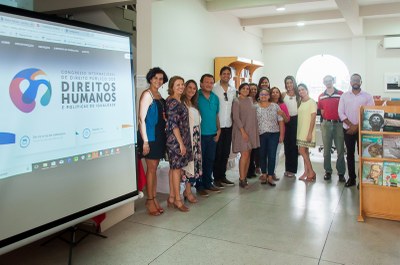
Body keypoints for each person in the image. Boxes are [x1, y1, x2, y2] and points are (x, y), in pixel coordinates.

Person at [138, 67, 168, 216]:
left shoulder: (158, 94)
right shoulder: (147, 94)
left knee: (154, 169)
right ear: (150, 79)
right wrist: (145, 142)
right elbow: (141, 119)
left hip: (159, 136)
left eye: (161, 79)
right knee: (151, 169)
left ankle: (153, 198)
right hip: (150, 137)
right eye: (155, 78)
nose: (158, 81)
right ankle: (150, 200)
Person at [338, 73, 374, 187]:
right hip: (347, 129)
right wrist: (351, 125)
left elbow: (370, 114)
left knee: (363, 155)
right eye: (353, 80)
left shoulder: (368, 96)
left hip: (362, 130)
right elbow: (340, 112)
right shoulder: (344, 96)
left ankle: (362, 180)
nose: (355, 82)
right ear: (350, 82)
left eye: (358, 80)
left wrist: (356, 126)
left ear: (361, 82)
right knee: (350, 154)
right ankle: (352, 179)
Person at [165, 76, 192, 212]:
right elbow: (173, 125)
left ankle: (171, 197)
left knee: (173, 169)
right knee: (176, 170)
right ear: (172, 87)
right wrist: (181, 144)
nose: (181, 87)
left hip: (180, 139)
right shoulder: (173, 102)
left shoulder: (177, 100)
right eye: (178, 85)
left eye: (182, 84)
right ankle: (177, 200)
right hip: (176, 141)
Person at [196, 74, 221, 196]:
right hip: (200, 135)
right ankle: (199, 185)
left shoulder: (215, 98)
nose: (209, 84)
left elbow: (216, 115)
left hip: (212, 134)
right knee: (199, 161)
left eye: (211, 82)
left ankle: (208, 183)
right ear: (201, 83)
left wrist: (219, 130)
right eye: (206, 82)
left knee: (210, 160)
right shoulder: (196, 97)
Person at [317, 75, 346, 182]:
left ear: (333, 81)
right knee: (326, 150)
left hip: (339, 124)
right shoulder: (321, 96)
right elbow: (322, 111)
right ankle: (328, 171)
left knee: (340, 150)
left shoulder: (341, 94)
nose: (328, 82)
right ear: (323, 82)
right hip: (326, 124)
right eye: (326, 81)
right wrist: (325, 123)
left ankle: (341, 172)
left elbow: (343, 109)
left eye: (330, 80)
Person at [232, 83, 260, 188]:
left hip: (251, 130)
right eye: (243, 88)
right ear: (239, 90)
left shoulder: (250, 100)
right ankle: (241, 178)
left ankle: (245, 177)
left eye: (247, 89)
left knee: (248, 155)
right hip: (242, 131)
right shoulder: (236, 101)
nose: (246, 90)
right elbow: (236, 117)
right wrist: (243, 131)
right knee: (244, 155)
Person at [213, 66, 236, 188]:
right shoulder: (214, 88)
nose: (226, 76)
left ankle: (223, 176)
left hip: (229, 125)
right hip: (218, 126)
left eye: (228, 74)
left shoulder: (233, 90)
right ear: (220, 75)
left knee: (226, 152)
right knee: (218, 152)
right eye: (224, 73)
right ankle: (216, 177)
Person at [256, 88, 284, 186]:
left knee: (272, 155)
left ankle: (270, 176)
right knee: (262, 155)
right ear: (259, 96)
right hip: (260, 135)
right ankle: (264, 174)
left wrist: (281, 135)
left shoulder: (275, 106)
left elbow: (281, 121)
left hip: (274, 134)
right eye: (261, 94)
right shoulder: (255, 107)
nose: (263, 96)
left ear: (269, 96)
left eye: (266, 94)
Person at [181, 80, 202, 203]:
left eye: (194, 88)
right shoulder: (182, 103)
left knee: (194, 165)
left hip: (196, 137)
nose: (192, 90)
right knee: (188, 165)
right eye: (189, 87)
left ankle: (187, 190)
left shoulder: (194, 104)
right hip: (187, 137)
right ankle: (187, 192)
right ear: (185, 88)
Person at [297, 83, 317, 181]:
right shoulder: (301, 102)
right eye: (299, 90)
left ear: (307, 90)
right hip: (300, 130)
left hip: (307, 131)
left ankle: (311, 171)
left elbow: (313, 118)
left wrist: (309, 133)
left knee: (301, 151)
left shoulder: (312, 102)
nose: (301, 91)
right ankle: (306, 172)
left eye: (302, 89)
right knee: (305, 152)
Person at [269, 87, 290, 179]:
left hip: (279, 132)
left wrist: (282, 114)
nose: (275, 94)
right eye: (273, 92)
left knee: (275, 153)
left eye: (277, 92)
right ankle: (265, 172)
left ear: (279, 94)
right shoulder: (267, 104)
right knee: (267, 153)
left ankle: (272, 172)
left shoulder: (283, 105)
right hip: (267, 132)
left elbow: (287, 120)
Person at [282, 76, 300, 178]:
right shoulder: (283, 94)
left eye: (290, 82)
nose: (289, 85)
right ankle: (287, 169)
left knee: (294, 146)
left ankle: (292, 170)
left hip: (295, 121)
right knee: (287, 146)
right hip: (285, 121)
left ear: (294, 83)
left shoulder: (298, 95)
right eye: (287, 83)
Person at [247, 82, 260, 178]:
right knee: (247, 152)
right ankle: (246, 172)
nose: (253, 91)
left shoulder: (259, 101)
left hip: (257, 129)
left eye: (255, 89)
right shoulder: (245, 100)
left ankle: (252, 170)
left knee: (254, 151)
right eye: (251, 89)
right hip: (247, 129)